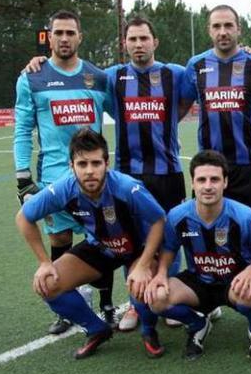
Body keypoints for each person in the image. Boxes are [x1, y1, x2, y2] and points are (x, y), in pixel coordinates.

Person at [15, 129, 164, 358]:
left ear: (107, 162)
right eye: (82, 164)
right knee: (47, 284)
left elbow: (158, 220)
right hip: (101, 247)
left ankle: (149, 330)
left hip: (137, 250)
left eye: (96, 163)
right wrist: (44, 262)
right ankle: (96, 330)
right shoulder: (64, 188)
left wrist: (144, 264)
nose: (90, 171)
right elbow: (24, 217)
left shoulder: (127, 187)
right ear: (71, 165)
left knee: (140, 287)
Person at [14, 10, 113, 335]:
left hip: (95, 179)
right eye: (59, 33)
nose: (65, 38)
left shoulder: (98, 77)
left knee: (101, 240)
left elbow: (125, 115)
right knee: (59, 237)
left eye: (71, 33)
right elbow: (23, 128)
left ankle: (107, 306)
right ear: (49, 36)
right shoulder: (33, 77)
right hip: (54, 178)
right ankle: (66, 302)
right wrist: (22, 176)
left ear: (80, 37)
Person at [144, 150, 251, 362]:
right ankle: (198, 324)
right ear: (192, 183)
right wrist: (161, 273)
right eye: (201, 179)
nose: (208, 186)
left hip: (234, 281)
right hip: (198, 281)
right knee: (156, 298)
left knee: (250, 291)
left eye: (215, 179)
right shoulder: (177, 216)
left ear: (225, 182)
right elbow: (169, 249)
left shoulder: (244, 216)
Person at [181, 4, 251, 214]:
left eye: (229, 25)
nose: (223, 32)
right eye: (217, 26)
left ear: (239, 29)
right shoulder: (196, 65)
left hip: (248, 165)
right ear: (209, 30)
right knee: (210, 234)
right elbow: (182, 104)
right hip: (209, 167)